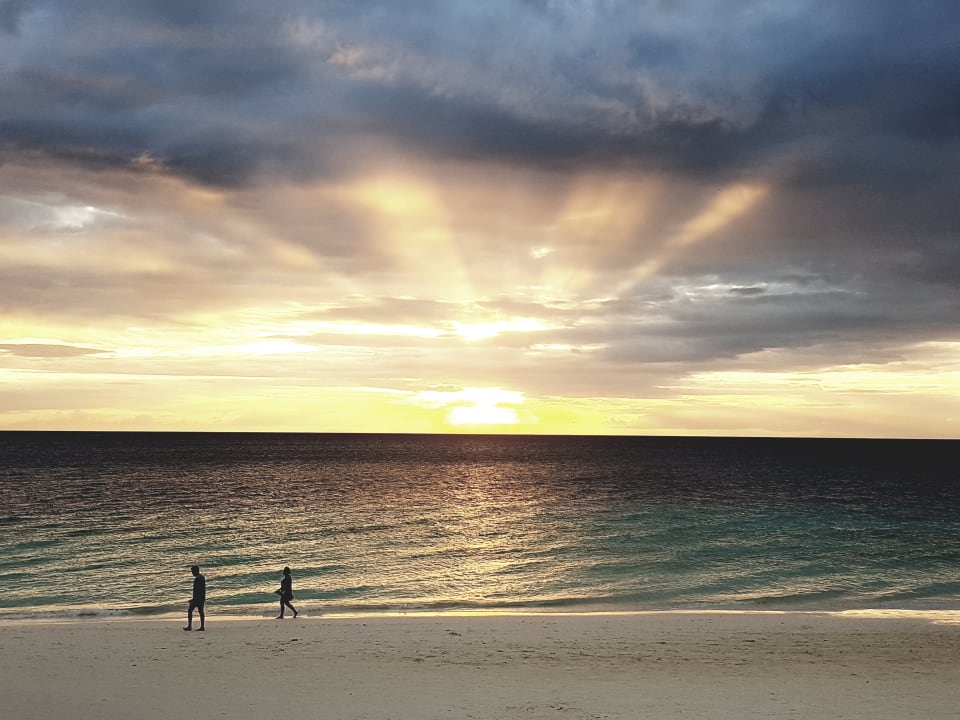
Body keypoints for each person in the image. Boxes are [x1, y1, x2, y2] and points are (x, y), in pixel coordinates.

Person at [184, 565, 206, 631]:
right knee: (201, 611)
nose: (192, 573)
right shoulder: (202, 577)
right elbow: (202, 589)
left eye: (192, 571)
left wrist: (194, 599)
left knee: (190, 611)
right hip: (202, 597)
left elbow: (196, 590)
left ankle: (189, 626)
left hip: (197, 598)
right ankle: (202, 626)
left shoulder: (197, 579)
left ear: (195, 571)